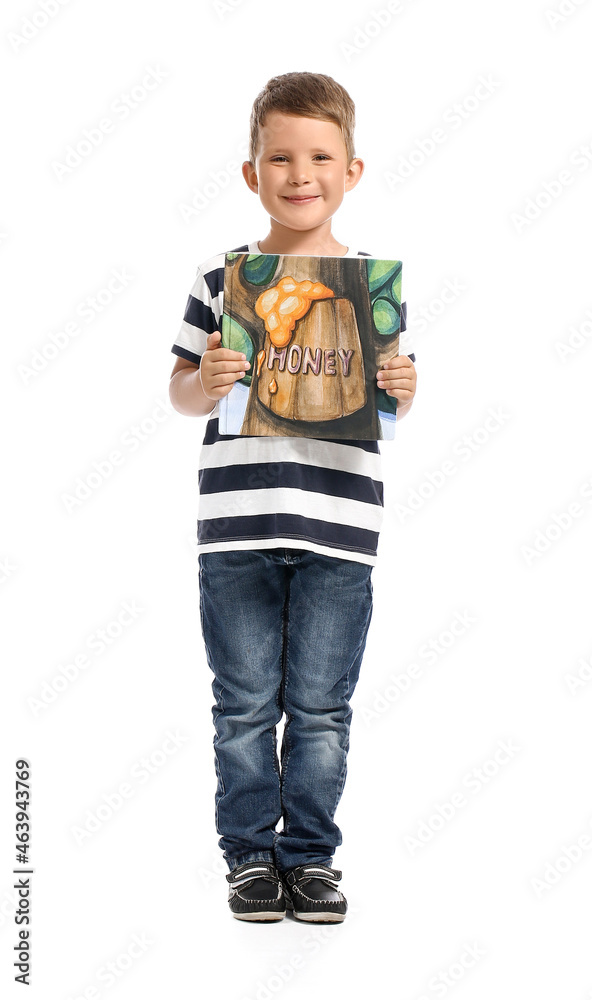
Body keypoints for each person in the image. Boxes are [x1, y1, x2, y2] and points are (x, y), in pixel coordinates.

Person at [169, 71, 417, 923]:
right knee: (242, 705)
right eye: (280, 156)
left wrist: (404, 384)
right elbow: (179, 393)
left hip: (341, 528)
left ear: (352, 170)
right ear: (252, 173)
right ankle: (248, 857)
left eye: (319, 156)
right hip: (237, 525)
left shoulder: (371, 289)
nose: (299, 173)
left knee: (320, 707)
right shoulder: (223, 277)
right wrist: (206, 380)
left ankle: (310, 858)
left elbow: (390, 396)